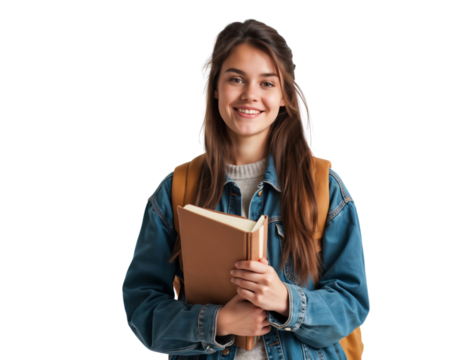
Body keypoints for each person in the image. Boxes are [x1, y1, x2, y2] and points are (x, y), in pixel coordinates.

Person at [121, 18, 371, 359]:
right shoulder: (174, 190)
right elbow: (141, 308)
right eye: (236, 79)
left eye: (267, 83)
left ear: (284, 95)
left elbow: (353, 302)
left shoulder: (323, 186)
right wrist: (219, 321)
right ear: (214, 88)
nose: (250, 94)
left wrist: (285, 300)